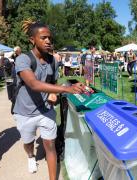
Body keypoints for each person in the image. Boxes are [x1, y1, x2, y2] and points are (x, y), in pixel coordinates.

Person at [13, 20, 84, 180]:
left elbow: (52, 82)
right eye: (43, 38)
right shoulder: (23, 59)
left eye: (49, 38)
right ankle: (31, 156)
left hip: (46, 111)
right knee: (28, 143)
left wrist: (60, 89)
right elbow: (33, 84)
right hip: (25, 113)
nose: (48, 41)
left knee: (50, 146)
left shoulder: (54, 60)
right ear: (32, 40)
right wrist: (66, 89)